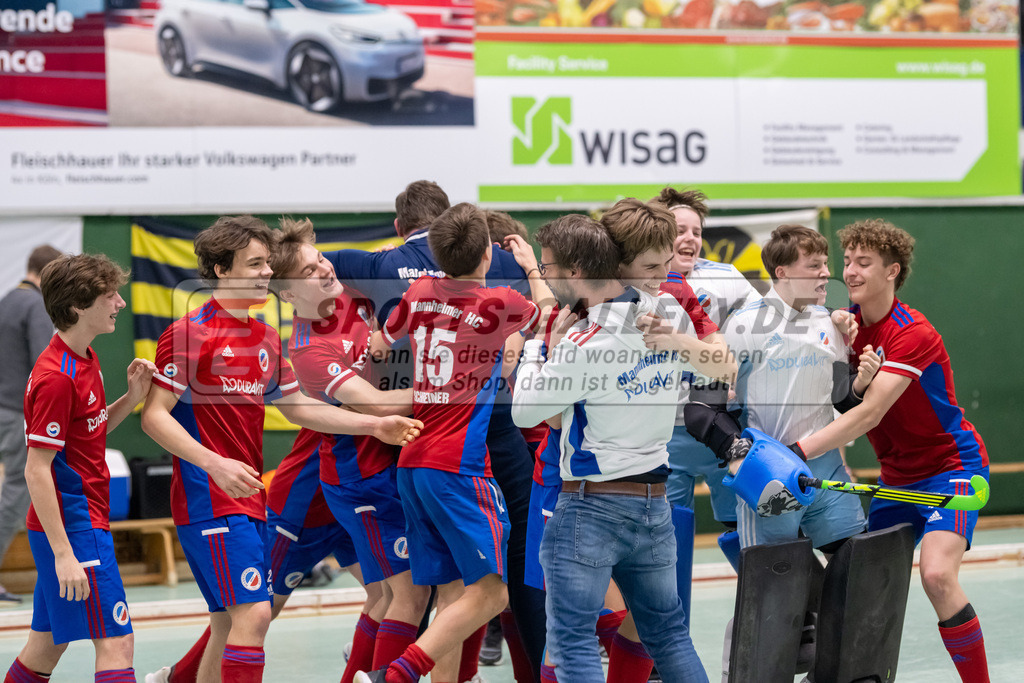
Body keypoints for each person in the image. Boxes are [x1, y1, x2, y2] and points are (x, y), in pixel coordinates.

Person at [140, 215, 422, 683]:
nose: (267, 274)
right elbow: (154, 416)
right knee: (254, 617)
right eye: (254, 265)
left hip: (249, 498)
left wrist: (375, 425)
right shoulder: (189, 332)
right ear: (220, 270)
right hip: (207, 497)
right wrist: (214, 463)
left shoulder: (266, 337)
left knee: (228, 623)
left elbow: (299, 408)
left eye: (268, 264)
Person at [325, 181, 548, 679]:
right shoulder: (499, 301)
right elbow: (549, 310)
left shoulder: (420, 291)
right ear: (488, 254)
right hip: (460, 464)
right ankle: (396, 674)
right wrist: (531, 266)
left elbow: (383, 342)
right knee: (494, 591)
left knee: (449, 592)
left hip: (410, 457)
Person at [511, 210, 733, 683]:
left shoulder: (585, 338)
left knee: (571, 639)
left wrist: (536, 348)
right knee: (670, 636)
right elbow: (719, 366)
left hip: (591, 503)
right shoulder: (668, 311)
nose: (662, 278)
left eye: (663, 266)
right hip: (654, 502)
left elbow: (528, 414)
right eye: (653, 268)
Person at [792, 219, 991, 683]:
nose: (851, 272)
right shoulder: (846, 327)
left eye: (864, 263)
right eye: (848, 262)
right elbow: (842, 398)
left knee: (937, 575)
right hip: (897, 480)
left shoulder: (912, 333)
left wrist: (795, 451)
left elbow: (868, 415)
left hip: (951, 469)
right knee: (860, 583)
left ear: (892, 272)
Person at [270, 217, 431, 683]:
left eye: (319, 258)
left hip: (390, 463)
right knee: (409, 594)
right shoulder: (308, 351)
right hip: (360, 478)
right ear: (286, 294)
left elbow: (402, 264)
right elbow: (380, 405)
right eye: (307, 271)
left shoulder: (353, 290)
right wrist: (449, 382)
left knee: (385, 596)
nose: (322, 269)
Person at [4, 253, 157, 683]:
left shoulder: (84, 357)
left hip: (80, 522)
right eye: (110, 295)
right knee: (116, 640)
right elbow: (37, 470)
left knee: (45, 646)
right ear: (78, 306)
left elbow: (88, 431)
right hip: (74, 527)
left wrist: (131, 397)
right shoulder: (56, 376)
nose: (119, 304)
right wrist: (64, 553)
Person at [722, 225, 870, 552]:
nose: (827, 273)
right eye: (814, 265)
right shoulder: (743, 326)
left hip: (827, 470)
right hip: (770, 474)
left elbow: (841, 399)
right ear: (783, 272)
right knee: (775, 586)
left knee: (855, 569)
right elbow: (717, 407)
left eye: (825, 264)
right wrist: (742, 458)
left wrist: (860, 385)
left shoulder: (831, 322)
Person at [651, 188, 760, 534]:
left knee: (739, 526)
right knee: (667, 531)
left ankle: (754, 586)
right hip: (663, 430)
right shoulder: (644, 281)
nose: (690, 239)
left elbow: (762, 330)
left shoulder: (726, 277)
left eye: (696, 232)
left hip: (720, 422)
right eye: (680, 230)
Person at [0, 244, 63, 603]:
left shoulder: (7, 299)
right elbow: (48, 363)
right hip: (15, 413)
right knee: (15, 494)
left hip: (2, 409)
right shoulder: (35, 305)